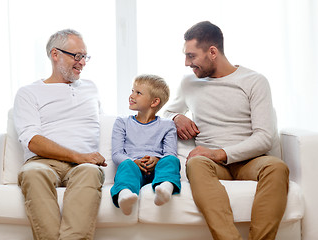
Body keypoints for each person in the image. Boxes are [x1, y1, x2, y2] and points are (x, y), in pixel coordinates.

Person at [164, 21, 289, 240]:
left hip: (251, 161)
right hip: (212, 165)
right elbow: (164, 113)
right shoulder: (189, 84)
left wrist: (218, 153)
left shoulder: (254, 81)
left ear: (212, 52)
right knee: (195, 163)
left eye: (191, 56)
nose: (186, 63)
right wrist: (176, 117)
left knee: (277, 167)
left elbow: (264, 138)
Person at [13, 29, 107, 240]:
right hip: (44, 162)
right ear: (55, 54)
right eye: (77, 56)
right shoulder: (29, 92)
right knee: (32, 173)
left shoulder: (91, 88)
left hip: (84, 166)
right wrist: (78, 156)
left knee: (91, 172)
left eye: (85, 57)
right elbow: (33, 141)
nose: (82, 62)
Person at [110, 74, 181, 215]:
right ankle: (125, 195)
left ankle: (165, 188)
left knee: (171, 160)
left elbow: (170, 153)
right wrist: (134, 161)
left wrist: (158, 160)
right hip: (134, 167)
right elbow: (117, 154)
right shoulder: (122, 122)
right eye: (132, 91)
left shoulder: (167, 125)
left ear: (154, 102)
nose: (132, 96)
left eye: (138, 93)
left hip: (157, 169)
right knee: (126, 165)